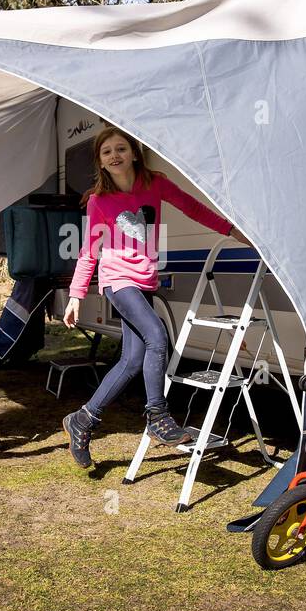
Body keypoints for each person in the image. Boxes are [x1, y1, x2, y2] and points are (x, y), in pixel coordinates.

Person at [61, 125, 248, 469]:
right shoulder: (100, 201)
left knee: (132, 361)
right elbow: (89, 251)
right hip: (117, 280)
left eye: (120, 148)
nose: (114, 155)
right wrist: (76, 296)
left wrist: (231, 230)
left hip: (144, 280)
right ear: (100, 162)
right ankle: (158, 416)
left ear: (133, 153)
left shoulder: (155, 184)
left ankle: (83, 420)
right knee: (158, 336)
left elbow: (192, 207)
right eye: (106, 152)